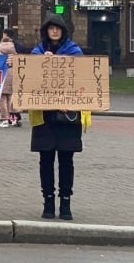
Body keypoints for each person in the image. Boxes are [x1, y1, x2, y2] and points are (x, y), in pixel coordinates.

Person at [29, 12, 90, 221]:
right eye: (50, 28)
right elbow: (28, 76)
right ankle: (48, 201)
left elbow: (83, 76)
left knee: (66, 160)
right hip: (44, 117)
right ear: (45, 31)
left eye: (58, 28)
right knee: (45, 160)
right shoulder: (37, 52)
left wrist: (60, 61)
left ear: (63, 31)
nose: (54, 31)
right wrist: (40, 62)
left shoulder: (74, 51)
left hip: (67, 116)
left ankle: (65, 202)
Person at [0, 36, 17, 128]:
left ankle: (4, 119)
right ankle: (12, 118)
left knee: (2, 99)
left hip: (1, 75)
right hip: (12, 74)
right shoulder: (14, 52)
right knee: (10, 98)